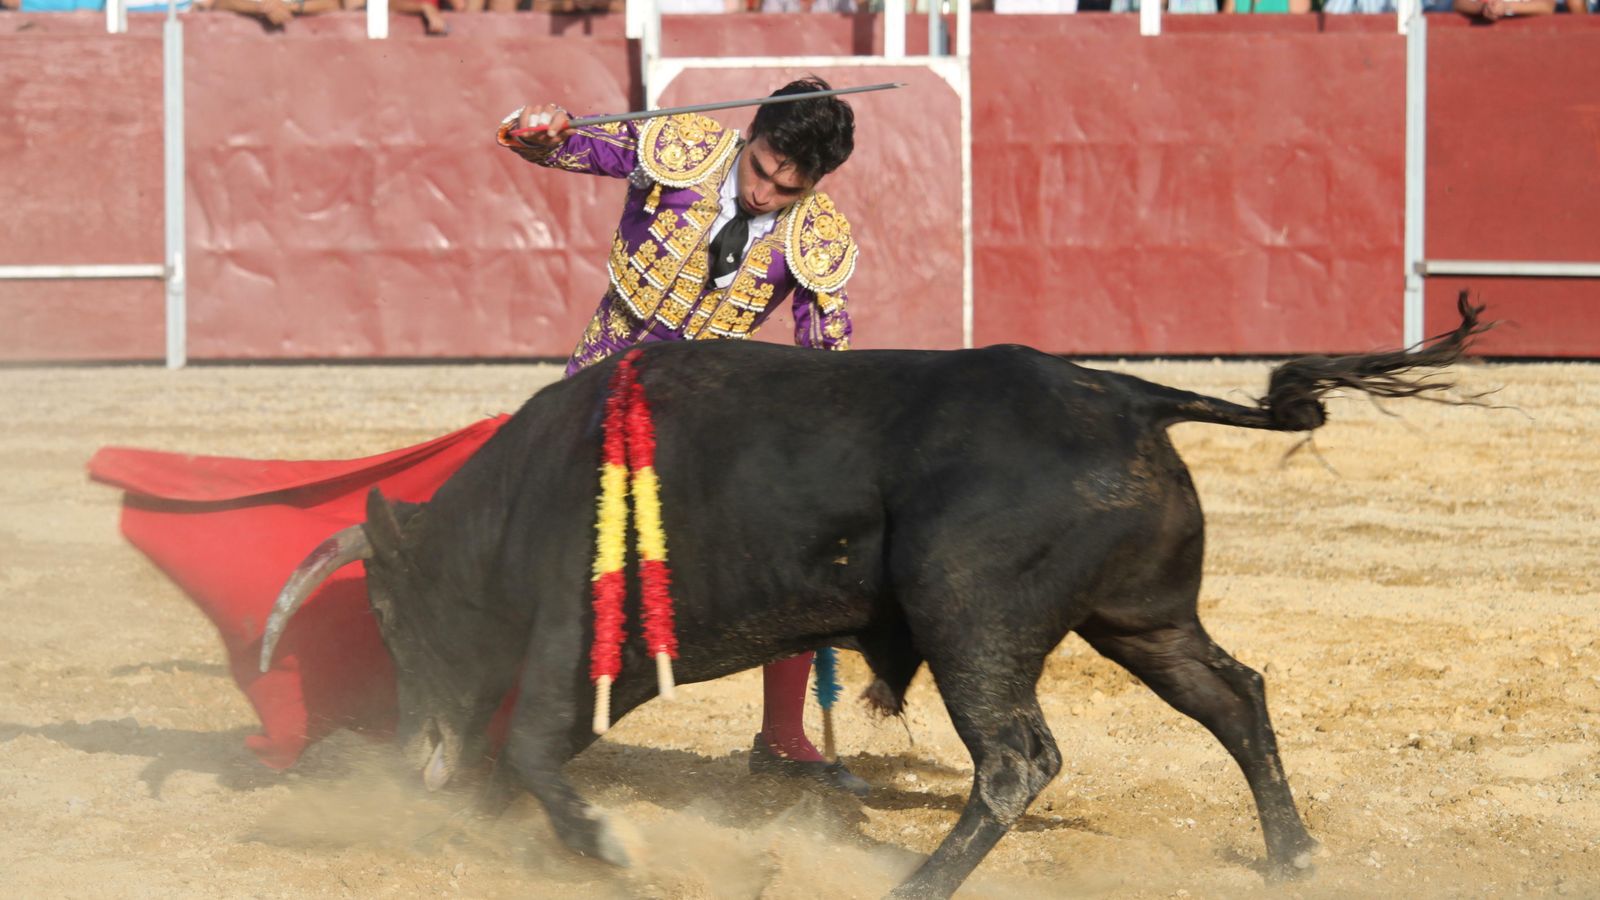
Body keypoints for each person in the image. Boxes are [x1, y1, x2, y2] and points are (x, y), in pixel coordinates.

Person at [495, 77, 866, 795]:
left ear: (814, 183)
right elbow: (556, 144)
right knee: (550, 541)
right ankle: (496, 704)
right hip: (602, 383)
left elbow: (829, 363)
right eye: (761, 170)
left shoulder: (818, 239)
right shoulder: (682, 150)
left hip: (710, 413)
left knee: (794, 543)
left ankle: (784, 736)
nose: (765, 194)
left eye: (790, 188)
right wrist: (536, 127)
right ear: (748, 136)